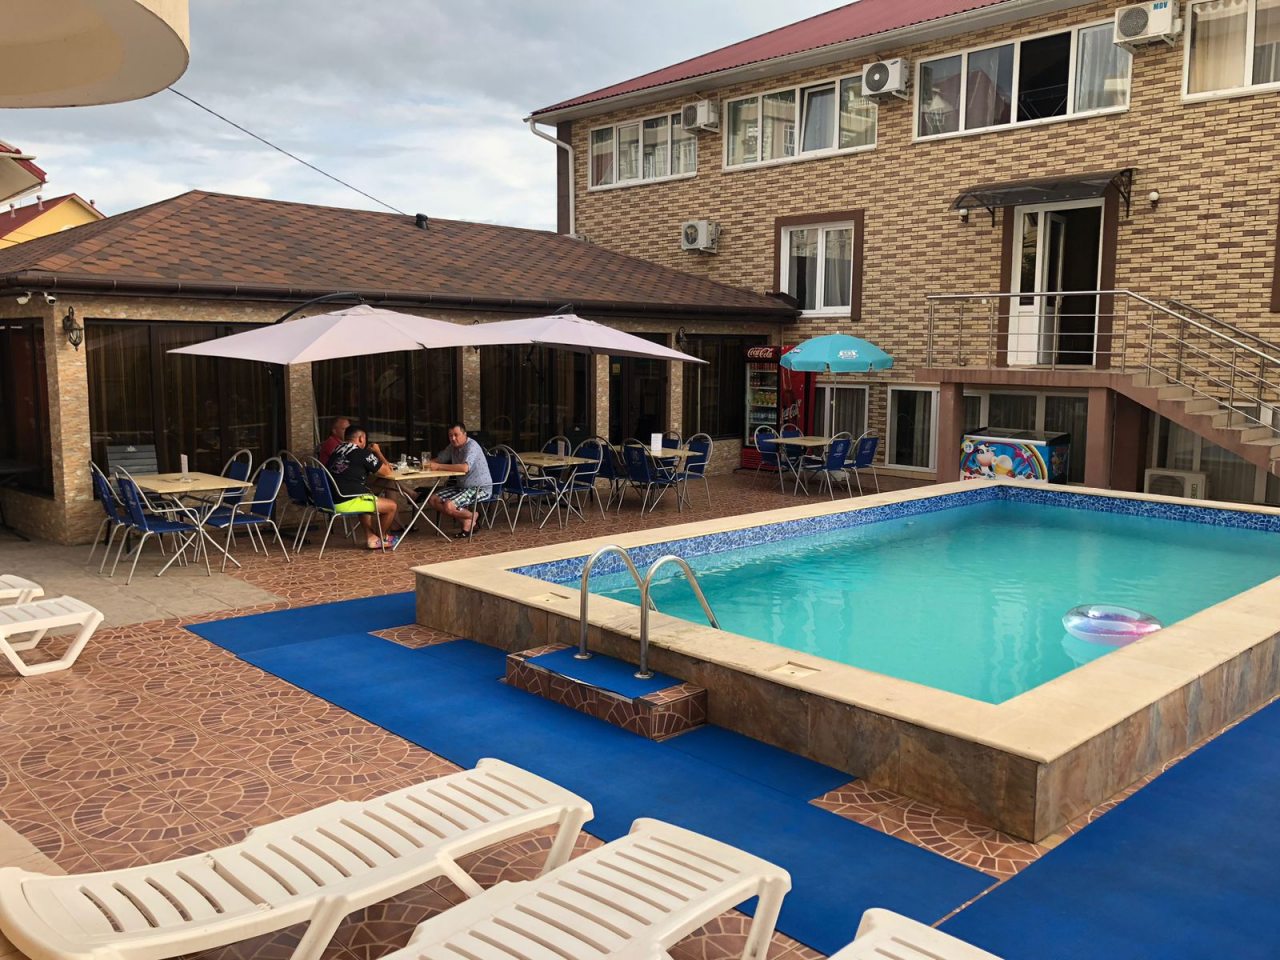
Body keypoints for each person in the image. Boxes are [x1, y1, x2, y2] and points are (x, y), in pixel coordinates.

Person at [326, 425, 399, 549]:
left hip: (330, 498)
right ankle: (382, 538)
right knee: (391, 506)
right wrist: (377, 452)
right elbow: (387, 471)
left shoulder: (337, 450)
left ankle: (371, 537)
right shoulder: (362, 453)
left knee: (367, 494)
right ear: (361, 438)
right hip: (346, 500)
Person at [425, 422, 492, 539]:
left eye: (456, 435)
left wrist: (439, 467)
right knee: (433, 499)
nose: (453, 438)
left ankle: (473, 517)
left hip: (479, 488)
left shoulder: (472, 446)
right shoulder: (452, 446)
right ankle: (470, 518)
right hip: (462, 487)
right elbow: (440, 459)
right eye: (450, 435)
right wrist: (425, 463)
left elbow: (465, 468)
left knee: (449, 505)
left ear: (465, 434)